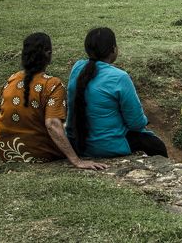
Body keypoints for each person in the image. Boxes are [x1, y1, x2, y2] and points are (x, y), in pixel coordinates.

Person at [0, 33, 106, 170]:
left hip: (5, 151)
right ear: (49, 53)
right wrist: (76, 161)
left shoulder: (12, 79)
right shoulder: (52, 84)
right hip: (36, 153)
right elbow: (52, 124)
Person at [66, 27, 168, 158]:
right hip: (104, 146)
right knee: (156, 145)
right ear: (113, 49)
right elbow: (136, 123)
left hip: (76, 143)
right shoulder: (120, 77)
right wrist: (144, 121)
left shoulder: (77, 67)